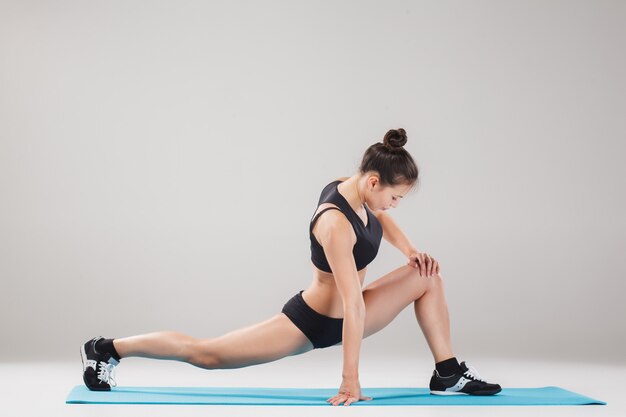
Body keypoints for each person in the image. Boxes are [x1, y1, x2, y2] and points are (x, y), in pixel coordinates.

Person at [80, 128, 501, 406]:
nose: (395, 206)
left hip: (356, 310)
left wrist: (410, 250)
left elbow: (380, 219)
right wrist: (349, 380)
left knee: (428, 275)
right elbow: (352, 307)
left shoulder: (356, 187)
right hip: (314, 321)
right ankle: (107, 349)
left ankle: (448, 372)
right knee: (207, 354)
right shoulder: (335, 223)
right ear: (374, 182)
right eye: (396, 197)